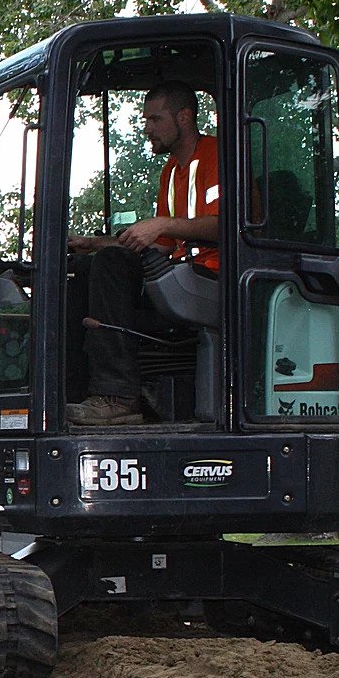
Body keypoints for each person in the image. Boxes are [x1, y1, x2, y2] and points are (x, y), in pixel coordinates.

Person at [66, 80, 220, 426]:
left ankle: (119, 396)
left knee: (112, 265)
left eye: (155, 119)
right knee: (86, 267)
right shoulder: (171, 171)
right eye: (145, 120)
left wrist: (161, 224)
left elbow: (226, 225)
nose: (147, 128)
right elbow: (163, 244)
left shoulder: (216, 155)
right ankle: (76, 391)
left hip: (214, 276)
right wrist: (96, 242)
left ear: (184, 117)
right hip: (179, 275)